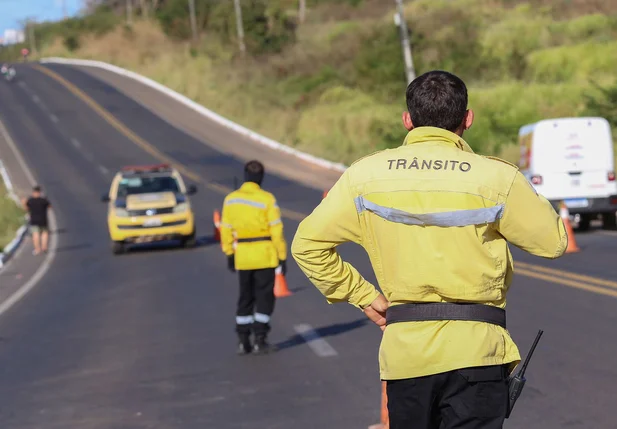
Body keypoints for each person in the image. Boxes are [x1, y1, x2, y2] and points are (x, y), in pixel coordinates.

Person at [291, 70, 567, 429]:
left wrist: (361, 295)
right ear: (467, 118)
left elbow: (307, 245)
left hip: (407, 357)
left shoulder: (364, 175)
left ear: (408, 120)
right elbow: (554, 243)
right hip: (478, 354)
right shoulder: (497, 177)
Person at [220, 160, 288, 355]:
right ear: (261, 178)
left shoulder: (231, 200)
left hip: (243, 256)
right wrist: (282, 256)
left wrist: (229, 254)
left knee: (245, 297)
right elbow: (277, 230)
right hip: (265, 255)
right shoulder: (267, 199)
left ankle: (243, 340)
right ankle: (260, 338)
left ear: (245, 176)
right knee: (264, 297)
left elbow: (225, 229)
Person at [23, 185, 52, 255]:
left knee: (35, 234)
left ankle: (37, 249)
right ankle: (44, 247)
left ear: (33, 192)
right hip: (43, 220)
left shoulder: (30, 200)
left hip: (34, 220)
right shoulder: (43, 200)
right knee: (44, 233)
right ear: (40, 192)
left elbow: (26, 208)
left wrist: (24, 202)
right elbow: (50, 207)